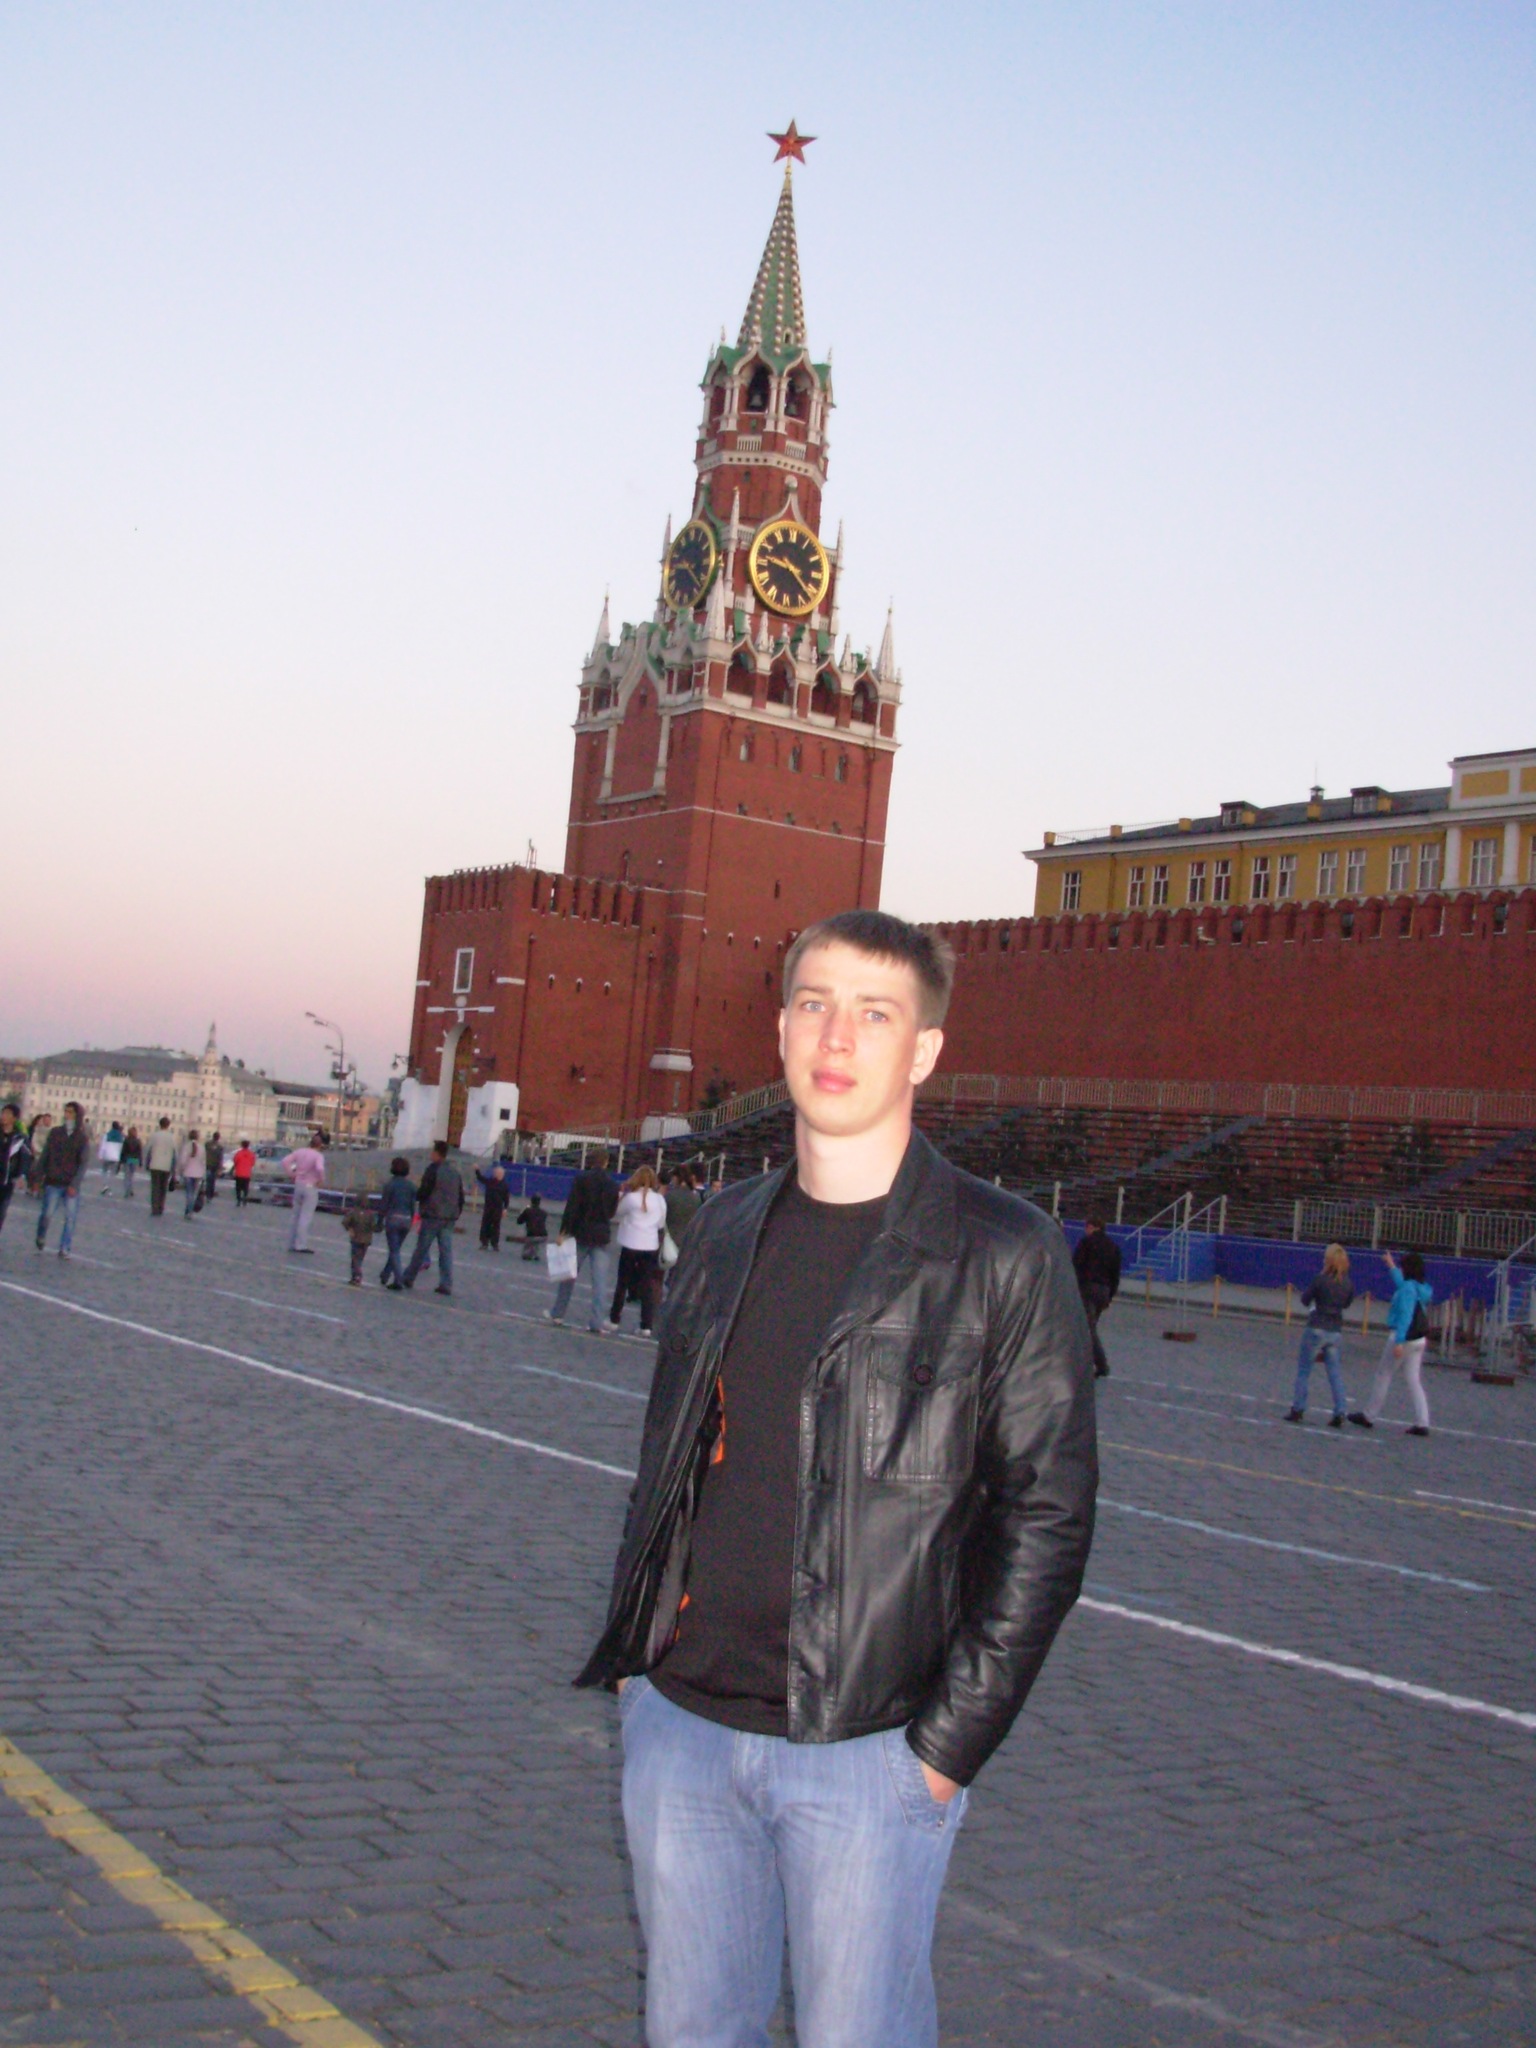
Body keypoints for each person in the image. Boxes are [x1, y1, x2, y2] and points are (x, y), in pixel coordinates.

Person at [577, 908, 1097, 2048]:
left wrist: (944, 1750)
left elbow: (1048, 1518)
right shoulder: (723, 1227)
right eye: (814, 1004)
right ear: (780, 1029)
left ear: (924, 1051)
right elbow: (669, 1456)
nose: (838, 1037)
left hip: (871, 1746)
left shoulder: (1001, 1251)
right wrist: (639, 1665)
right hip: (682, 1725)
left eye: (875, 1013)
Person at [1350, 1250, 1435, 1436]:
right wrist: (1391, 1266)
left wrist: (1399, 1341)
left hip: (1403, 1337)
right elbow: (1403, 1285)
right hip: (1419, 1339)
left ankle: (1369, 1415)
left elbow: (1405, 1315)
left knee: (1384, 1374)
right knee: (1414, 1379)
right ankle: (1423, 1421)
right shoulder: (1421, 1288)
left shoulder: (1407, 1289)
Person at [546, 1147, 618, 1332]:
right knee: (600, 1282)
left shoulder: (581, 1179)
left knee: (568, 1275)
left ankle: (558, 1313)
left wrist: (563, 1231)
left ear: (591, 1162)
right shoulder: (612, 1184)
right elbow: (611, 1212)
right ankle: (597, 1321)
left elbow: (572, 1207)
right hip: (601, 1234)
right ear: (606, 1162)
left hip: (581, 1233)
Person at [1287, 1243, 1354, 1427]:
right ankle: (1340, 1410)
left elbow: (1305, 1299)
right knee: (1334, 1373)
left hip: (1316, 1326)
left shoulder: (1320, 1279)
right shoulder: (1348, 1283)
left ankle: (1298, 1408)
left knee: (1304, 1370)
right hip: (1335, 1330)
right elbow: (1347, 1304)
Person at [608, 1164, 667, 1334]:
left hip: (630, 1242)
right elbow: (661, 1224)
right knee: (647, 1285)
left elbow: (618, 1212)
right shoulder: (659, 1200)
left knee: (622, 1283)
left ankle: (614, 1319)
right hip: (649, 1245)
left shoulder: (631, 1198)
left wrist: (621, 1193)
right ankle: (646, 1325)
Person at [402, 1140, 463, 1296]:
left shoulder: (433, 1169)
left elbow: (425, 1191)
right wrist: (456, 1212)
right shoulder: (455, 1172)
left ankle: (409, 1277)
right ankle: (446, 1283)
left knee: (422, 1248)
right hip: (449, 1217)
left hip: (433, 1215)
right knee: (446, 1251)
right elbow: (461, 1196)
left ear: (437, 1153)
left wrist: (417, 1198)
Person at [35, 1102, 91, 1257]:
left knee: (70, 1219)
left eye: (71, 1112)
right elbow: (45, 1155)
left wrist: (75, 1184)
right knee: (47, 1215)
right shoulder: (55, 1133)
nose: (67, 1115)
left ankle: (65, 1248)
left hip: (71, 1184)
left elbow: (83, 1163)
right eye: (66, 1111)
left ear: (77, 1116)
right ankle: (41, 1235)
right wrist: (38, 1177)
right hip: (53, 1181)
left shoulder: (81, 1138)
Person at [1072, 1212, 1122, 1378]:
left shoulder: (1086, 1243)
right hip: (1104, 1291)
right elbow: (1116, 1275)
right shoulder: (1113, 1246)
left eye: (1086, 1227)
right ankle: (1084, 1363)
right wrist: (1109, 1296)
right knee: (1090, 1328)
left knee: (1087, 1329)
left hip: (1088, 1288)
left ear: (1092, 1227)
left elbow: (1076, 1265)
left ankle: (1101, 1365)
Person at [282, 1129, 329, 1254]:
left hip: (298, 1184)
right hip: (310, 1186)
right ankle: (301, 1244)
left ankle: (291, 1243)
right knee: (305, 1216)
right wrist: (321, 1179)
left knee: (295, 1215)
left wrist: (291, 1174)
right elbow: (319, 1168)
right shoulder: (318, 1156)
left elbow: (285, 1161)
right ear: (320, 1145)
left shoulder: (300, 1151)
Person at [377, 1157, 417, 1290]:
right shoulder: (411, 1186)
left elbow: (384, 1205)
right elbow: (412, 1206)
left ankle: (399, 1280)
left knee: (394, 1251)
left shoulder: (389, 1185)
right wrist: (411, 1220)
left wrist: (379, 1221)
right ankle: (385, 1274)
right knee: (396, 1250)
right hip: (406, 1220)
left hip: (393, 1219)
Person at [0, 1103, 32, 1237]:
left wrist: (22, 1175)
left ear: (14, 1118)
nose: (3, 1116)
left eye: (7, 1114)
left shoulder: (20, 1138)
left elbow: (25, 1158)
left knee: (1, 1212)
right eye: (3, 1113)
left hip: (7, 1181)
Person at [662, 1164, 701, 1254]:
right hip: (688, 1238)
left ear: (677, 1177)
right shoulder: (696, 1197)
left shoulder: (670, 1196)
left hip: (671, 1237)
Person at [341, 1187, 376, 1285]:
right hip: (366, 1239)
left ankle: (356, 1276)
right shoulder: (370, 1214)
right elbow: (374, 1226)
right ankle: (356, 1275)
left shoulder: (353, 1212)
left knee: (355, 1259)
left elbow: (345, 1222)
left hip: (356, 1238)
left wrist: (350, 1229)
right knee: (360, 1258)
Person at [145, 1117, 178, 1216]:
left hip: (155, 1164)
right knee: (163, 1188)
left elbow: (148, 1150)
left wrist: (147, 1163)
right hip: (166, 1166)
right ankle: (161, 1207)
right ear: (168, 1125)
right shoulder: (172, 1137)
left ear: (159, 1124)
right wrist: (174, 1168)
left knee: (155, 1187)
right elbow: (175, 1154)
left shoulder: (154, 1136)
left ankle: (154, 1208)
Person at [476, 1162, 511, 1250]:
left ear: (501, 1174)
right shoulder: (491, 1181)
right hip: (488, 1207)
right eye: (495, 1173)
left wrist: (505, 1209)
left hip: (498, 1208)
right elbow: (481, 1178)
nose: (495, 1174)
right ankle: (484, 1243)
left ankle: (494, 1243)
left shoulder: (504, 1185)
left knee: (496, 1226)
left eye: (497, 1173)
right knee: (485, 1225)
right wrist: (477, 1170)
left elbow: (506, 1198)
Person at [177, 1129, 206, 1217]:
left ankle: (188, 1210)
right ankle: (190, 1211)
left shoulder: (186, 1147)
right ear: (197, 1137)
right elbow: (203, 1162)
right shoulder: (201, 1147)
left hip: (188, 1173)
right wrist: (203, 1173)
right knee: (194, 1193)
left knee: (189, 1193)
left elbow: (182, 1161)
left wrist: (181, 1170)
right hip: (198, 1173)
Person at [25, 1114, 52, 1196]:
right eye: (45, 1119)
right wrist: (35, 1149)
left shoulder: (52, 1131)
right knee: (33, 1171)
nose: (47, 1121)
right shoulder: (37, 1130)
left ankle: (40, 1189)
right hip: (37, 1154)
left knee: (44, 1173)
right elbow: (34, 1140)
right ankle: (31, 1187)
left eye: (49, 1120)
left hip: (47, 1155)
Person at [516, 1191, 548, 1261]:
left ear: (531, 1201)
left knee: (526, 1253)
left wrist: (524, 1212)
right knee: (536, 1241)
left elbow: (519, 1221)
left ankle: (529, 1254)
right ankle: (535, 1254)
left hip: (531, 1235)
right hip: (543, 1236)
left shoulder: (528, 1211)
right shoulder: (544, 1212)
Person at [231, 1139, 256, 1207]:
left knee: (238, 1188)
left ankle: (238, 1200)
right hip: (247, 1174)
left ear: (242, 1145)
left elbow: (235, 1161)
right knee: (246, 1188)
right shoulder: (251, 1154)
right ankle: (245, 1198)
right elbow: (253, 1163)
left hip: (239, 1173)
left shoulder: (238, 1153)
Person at [119, 1125, 143, 1198]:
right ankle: (131, 1189)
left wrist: (120, 1161)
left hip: (127, 1158)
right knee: (131, 1175)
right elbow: (140, 1152)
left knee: (126, 1176)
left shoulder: (126, 1140)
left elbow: (123, 1151)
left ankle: (127, 1190)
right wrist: (140, 1162)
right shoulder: (138, 1141)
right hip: (134, 1159)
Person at [98, 1121, 124, 1186]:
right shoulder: (121, 1137)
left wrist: (100, 1156)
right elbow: (122, 1148)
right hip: (115, 1157)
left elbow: (103, 1146)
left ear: (112, 1126)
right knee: (112, 1172)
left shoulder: (107, 1135)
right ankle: (109, 1185)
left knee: (104, 1170)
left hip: (107, 1156)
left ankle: (105, 1184)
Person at [205, 1132, 223, 1202]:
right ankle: (210, 1195)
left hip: (208, 1165)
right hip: (215, 1166)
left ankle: (208, 1195)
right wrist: (220, 1168)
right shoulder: (220, 1147)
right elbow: (220, 1158)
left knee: (208, 1181)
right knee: (212, 1181)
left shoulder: (207, 1144)